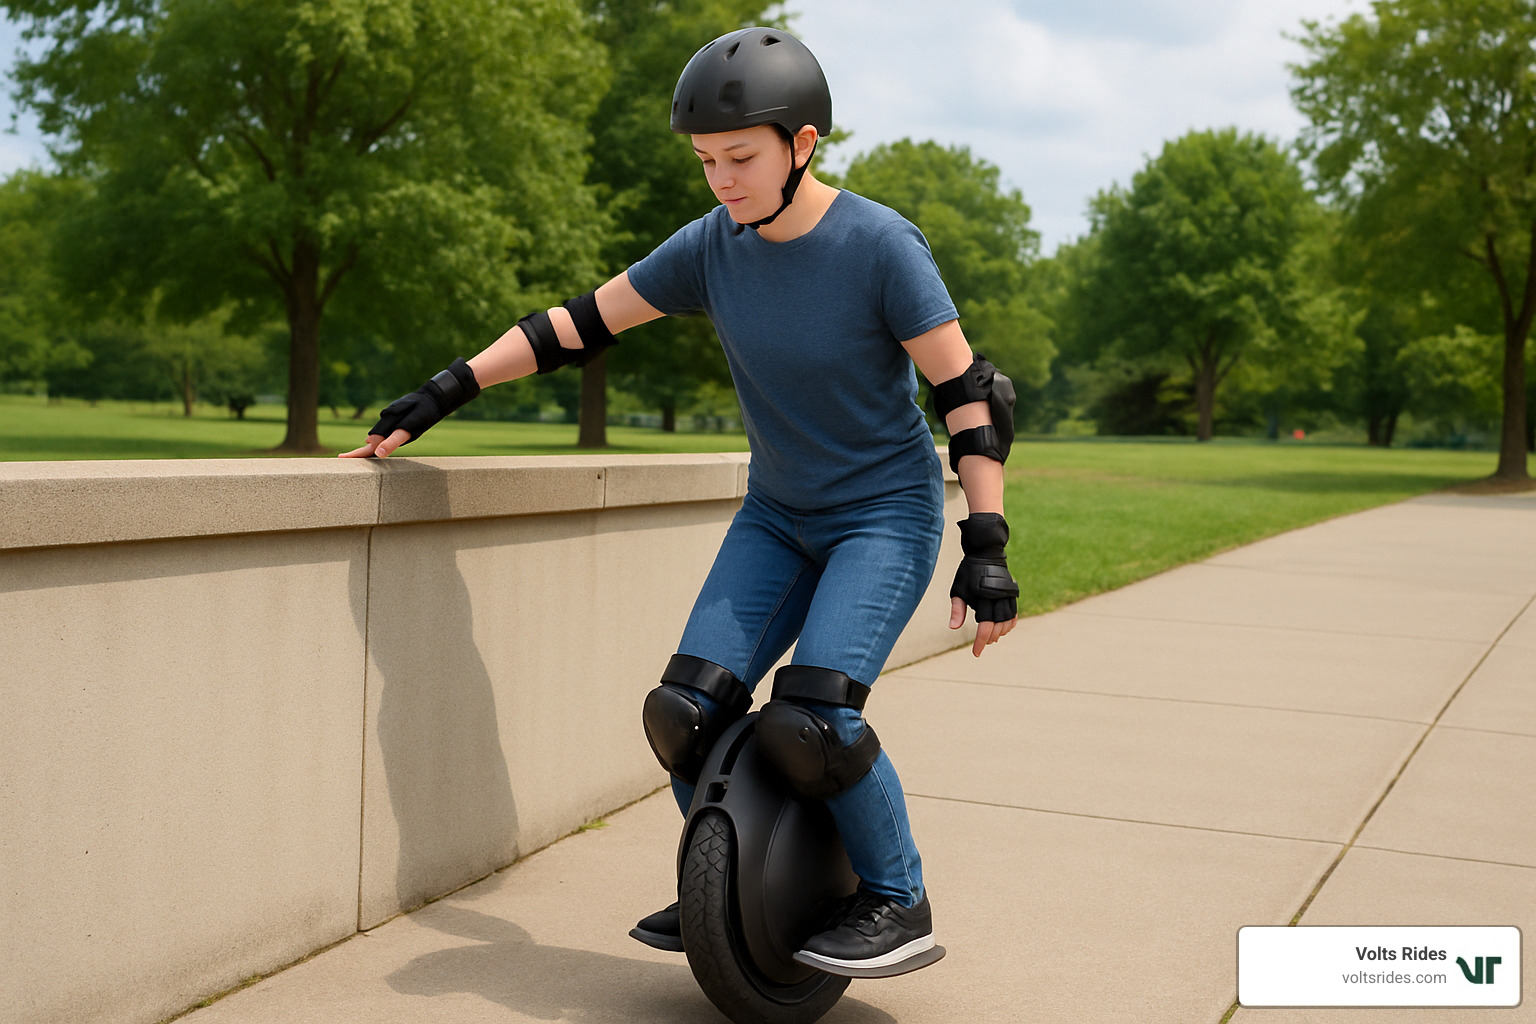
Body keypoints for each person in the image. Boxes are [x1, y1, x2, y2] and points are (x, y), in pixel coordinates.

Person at [341, 26, 1020, 976]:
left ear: (804, 143)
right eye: (706, 162)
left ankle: (896, 899)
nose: (722, 181)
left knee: (813, 718)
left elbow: (969, 396)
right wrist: (446, 391)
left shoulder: (878, 245)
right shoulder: (712, 248)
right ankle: (733, 869)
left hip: (883, 516)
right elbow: (575, 325)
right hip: (778, 516)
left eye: (740, 157)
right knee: (682, 714)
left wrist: (983, 542)